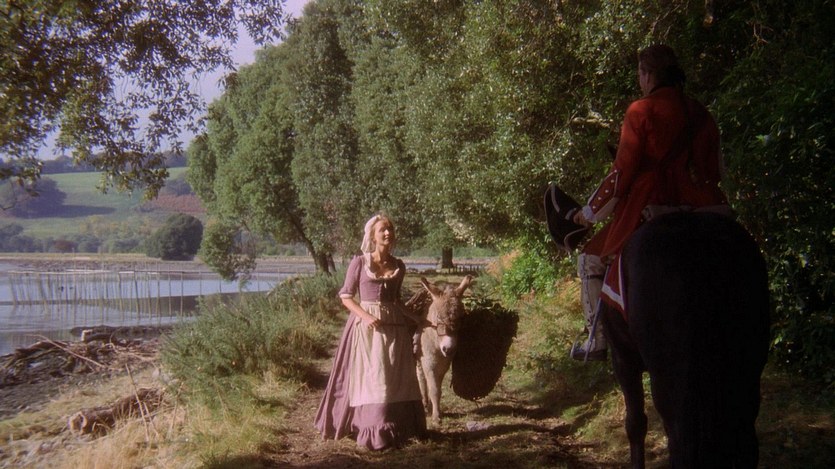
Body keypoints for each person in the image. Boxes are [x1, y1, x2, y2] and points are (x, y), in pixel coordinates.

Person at [569, 44, 730, 361]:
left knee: (589, 259)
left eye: (640, 75)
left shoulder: (640, 111)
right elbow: (716, 170)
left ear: (647, 75)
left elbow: (621, 173)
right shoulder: (700, 113)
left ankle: (595, 341)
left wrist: (589, 212)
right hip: (705, 205)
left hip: (653, 203)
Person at [314, 214, 427, 449]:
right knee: (374, 377)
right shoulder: (359, 263)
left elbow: (396, 301)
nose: (388, 233)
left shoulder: (399, 266)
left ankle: (401, 425)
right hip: (366, 329)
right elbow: (346, 297)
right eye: (382, 230)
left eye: (390, 229)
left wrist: (417, 319)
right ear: (372, 236)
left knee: (395, 376)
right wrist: (366, 316)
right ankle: (374, 426)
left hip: (394, 328)